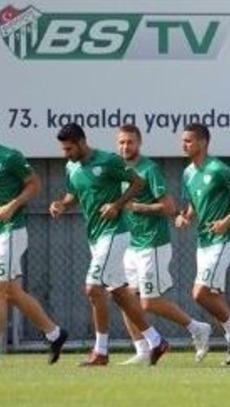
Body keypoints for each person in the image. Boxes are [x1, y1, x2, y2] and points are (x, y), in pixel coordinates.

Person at [50, 123, 169, 366]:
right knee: (120, 293)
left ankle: (101, 351)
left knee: (93, 288)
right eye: (63, 149)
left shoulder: (108, 161)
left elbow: (137, 183)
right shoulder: (71, 166)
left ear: (82, 143)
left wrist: (117, 204)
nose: (66, 153)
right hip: (95, 237)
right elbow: (73, 193)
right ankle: (156, 341)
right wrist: (62, 204)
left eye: (69, 148)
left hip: (115, 233)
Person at [114, 125, 212, 364]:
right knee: (126, 298)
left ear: (139, 144)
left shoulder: (150, 169)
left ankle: (197, 327)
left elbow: (168, 207)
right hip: (131, 244)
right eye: (122, 142)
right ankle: (142, 350)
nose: (125, 146)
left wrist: (137, 207)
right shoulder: (120, 170)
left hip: (153, 243)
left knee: (149, 301)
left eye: (130, 142)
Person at [175, 123, 230, 365]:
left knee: (199, 293)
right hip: (204, 241)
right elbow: (192, 205)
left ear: (202, 142)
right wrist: (185, 216)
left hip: (224, 240)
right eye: (183, 140)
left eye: (189, 140)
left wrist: (226, 221)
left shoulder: (219, 168)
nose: (184, 144)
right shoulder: (188, 173)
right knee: (212, 293)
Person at [0, 142, 68, 364]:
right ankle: (55, 334)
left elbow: (34, 184)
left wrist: (12, 205)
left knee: (0, 289)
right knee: (12, 292)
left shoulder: (9, 156)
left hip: (10, 231)